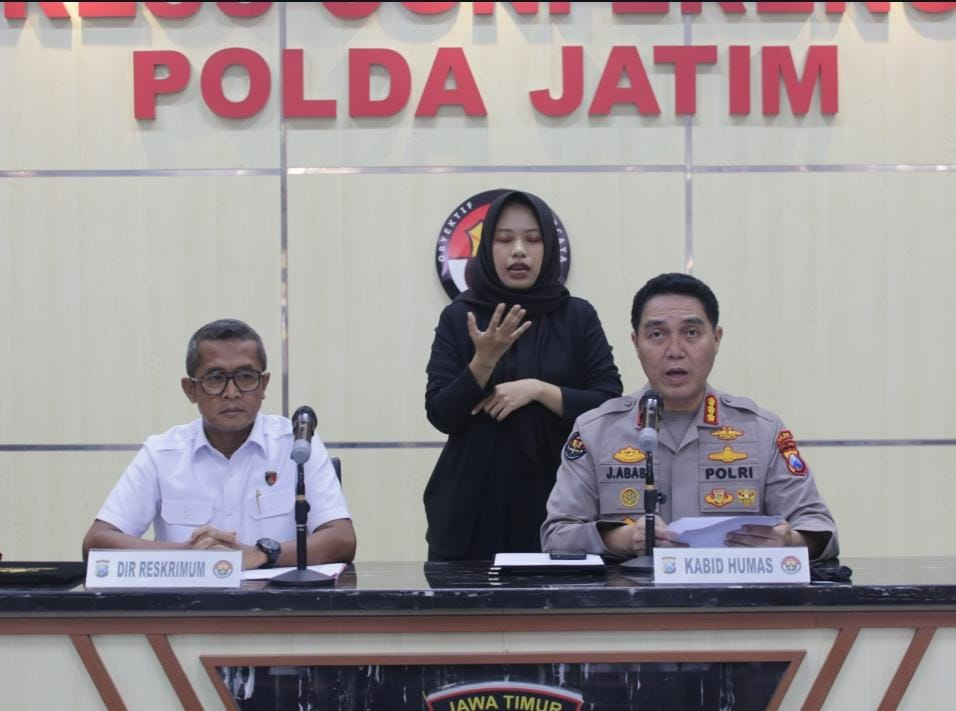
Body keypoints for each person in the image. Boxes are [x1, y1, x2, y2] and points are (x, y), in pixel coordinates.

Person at [541, 273, 838, 561]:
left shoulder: (761, 430)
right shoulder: (596, 431)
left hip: (730, 594)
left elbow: (820, 529)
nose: (675, 351)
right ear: (636, 343)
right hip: (631, 594)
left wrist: (789, 541)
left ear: (716, 339)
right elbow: (556, 535)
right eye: (657, 335)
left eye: (691, 333)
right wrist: (623, 539)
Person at [424, 189, 623, 561]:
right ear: (488, 248)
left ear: (548, 248)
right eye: (504, 240)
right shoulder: (461, 316)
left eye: (532, 239)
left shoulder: (577, 316)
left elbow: (609, 406)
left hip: (563, 500)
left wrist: (538, 390)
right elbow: (440, 414)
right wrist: (483, 361)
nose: (518, 251)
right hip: (473, 507)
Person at [82, 319, 356, 569]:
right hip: (187, 604)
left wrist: (260, 554)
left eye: (246, 377)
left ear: (263, 385)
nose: (232, 393)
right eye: (215, 379)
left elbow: (342, 539)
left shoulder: (296, 443)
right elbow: (97, 542)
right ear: (190, 389)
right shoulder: (162, 453)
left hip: (277, 604)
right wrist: (189, 555)